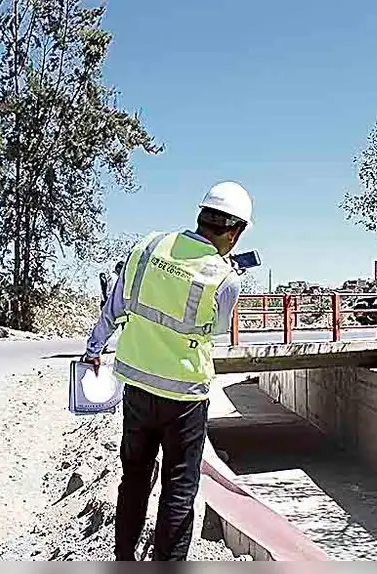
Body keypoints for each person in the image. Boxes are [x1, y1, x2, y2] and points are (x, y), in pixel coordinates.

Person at [81, 181, 251, 561]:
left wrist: (94, 350)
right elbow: (217, 330)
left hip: (138, 388)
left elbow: (114, 306)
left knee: (134, 479)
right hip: (185, 398)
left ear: (201, 216)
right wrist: (228, 275)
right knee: (179, 490)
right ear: (234, 233)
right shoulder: (226, 278)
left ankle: (124, 558)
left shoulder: (149, 246)